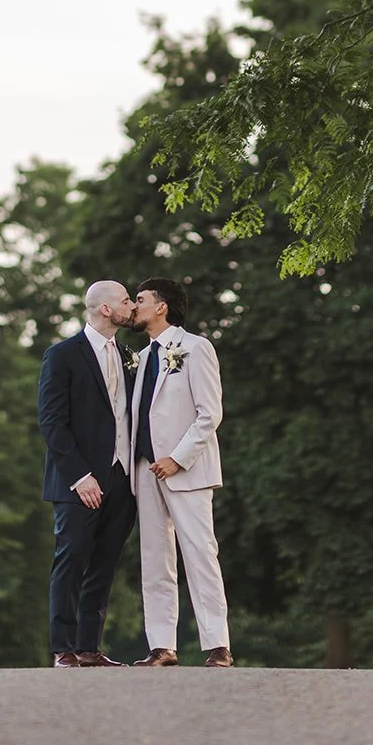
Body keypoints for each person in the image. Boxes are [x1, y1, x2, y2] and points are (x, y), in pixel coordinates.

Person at [130, 275, 233, 668]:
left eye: (140, 299)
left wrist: (178, 457)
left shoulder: (195, 348)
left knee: (200, 553)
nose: (134, 306)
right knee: (155, 560)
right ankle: (162, 647)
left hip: (185, 470)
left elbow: (210, 414)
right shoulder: (142, 357)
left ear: (162, 307)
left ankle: (218, 646)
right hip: (145, 471)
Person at [37, 280, 138, 667]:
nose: (132, 307)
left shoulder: (129, 355)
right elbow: (51, 422)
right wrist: (80, 476)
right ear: (107, 310)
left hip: (122, 478)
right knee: (71, 560)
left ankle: (89, 648)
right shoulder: (62, 355)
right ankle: (63, 649)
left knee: (104, 563)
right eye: (126, 301)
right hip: (78, 483)